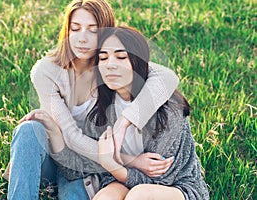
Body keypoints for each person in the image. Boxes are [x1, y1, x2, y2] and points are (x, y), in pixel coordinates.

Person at [3, 0, 178, 199]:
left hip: (92, 168)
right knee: (28, 129)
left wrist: (126, 121)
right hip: (58, 156)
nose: (82, 39)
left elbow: (167, 77)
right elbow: (70, 136)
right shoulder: (46, 71)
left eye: (92, 31)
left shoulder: (109, 65)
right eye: (75, 29)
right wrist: (132, 160)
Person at [84, 26, 209, 200]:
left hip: (174, 185)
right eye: (103, 58)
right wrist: (125, 162)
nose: (110, 65)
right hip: (118, 181)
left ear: (137, 62)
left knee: (139, 195)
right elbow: (87, 156)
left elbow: (162, 178)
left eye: (121, 57)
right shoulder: (101, 104)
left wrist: (112, 164)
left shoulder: (168, 109)